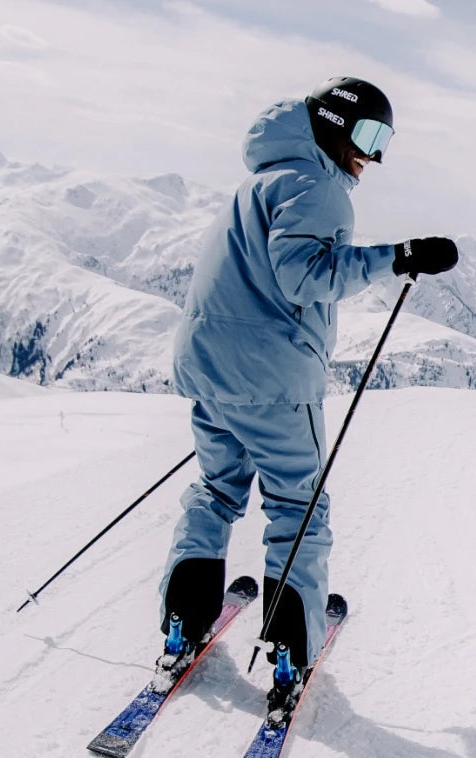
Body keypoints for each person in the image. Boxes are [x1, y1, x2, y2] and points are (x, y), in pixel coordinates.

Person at [159, 76, 459, 703]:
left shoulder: (260, 182)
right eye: (369, 135)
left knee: (215, 492)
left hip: (209, 369)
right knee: (298, 511)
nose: (374, 156)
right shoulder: (317, 188)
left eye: (384, 141)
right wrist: (399, 256)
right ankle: (290, 655)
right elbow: (306, 278)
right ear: (334, 124)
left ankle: (183, 620)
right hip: (271, 381)